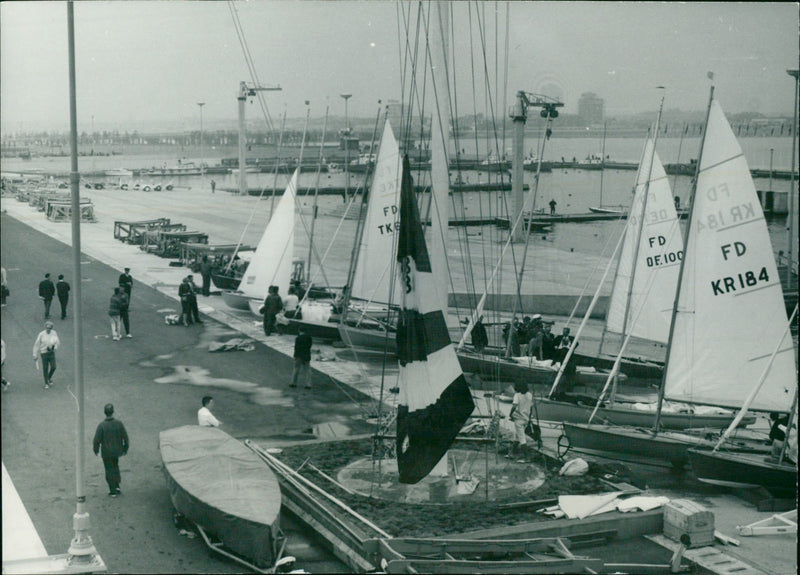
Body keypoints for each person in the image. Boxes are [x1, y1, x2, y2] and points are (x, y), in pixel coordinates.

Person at [92, 403, 129, 497]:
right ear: (113, 412)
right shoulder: (119, 423)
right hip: (117, 451)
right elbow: (125, 437)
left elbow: (97, 440)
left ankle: (112, 490)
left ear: (105, 413)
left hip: (107, 452)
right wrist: (125, 448)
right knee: (115, 466)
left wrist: (95, 450)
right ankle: (117, 486)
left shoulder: (102, 425)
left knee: (108, 469)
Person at [507, 381, 533, 461]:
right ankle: (512, 453)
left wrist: (510, 414)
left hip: (519, 419)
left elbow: (514, 406)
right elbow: (531, 407)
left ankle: (527, 457)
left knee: (522, 439)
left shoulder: (517, 395)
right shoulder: (529, 395)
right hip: (526, 419)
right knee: (518, 436)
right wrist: (529, 417)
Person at [32, 320, 60, 389]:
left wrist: (54, 348)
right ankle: (46, 383)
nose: (48, 329)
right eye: (47, 328)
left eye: (50, 328)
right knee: (45, 368)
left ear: (51, 328)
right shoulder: (41, 334)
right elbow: (37, 344)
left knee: (54, 367)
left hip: (51, 353)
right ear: (45, 327)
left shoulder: (54, 333)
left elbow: (57, 342)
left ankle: (49, 377)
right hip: (44, 353)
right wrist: (35, 354)